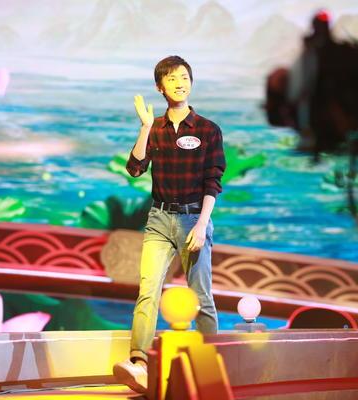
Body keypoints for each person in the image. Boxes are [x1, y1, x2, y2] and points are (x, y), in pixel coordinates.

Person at [112, 55, 226, 393]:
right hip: (159, 220)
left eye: (185, 77)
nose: (180, 83)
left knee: (201, 294)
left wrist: (202, 225)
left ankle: (210, 367)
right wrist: (145, 127)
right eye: (173, 78)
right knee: (147, 290)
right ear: (160, 87)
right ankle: (139, 363)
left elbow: (213, 181)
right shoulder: (156, 129)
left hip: (194, 218)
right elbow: (135, 169)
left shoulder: (208, 129)